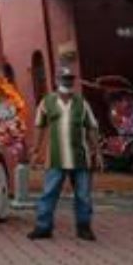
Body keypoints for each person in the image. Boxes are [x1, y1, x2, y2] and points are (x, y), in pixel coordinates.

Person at [28, 67, 101, 241]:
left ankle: (84, 227)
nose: (67, 82)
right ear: (56, 80)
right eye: (63, 78)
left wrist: (96, 152)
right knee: (49, 193)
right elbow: (39, 126)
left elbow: (91, 128)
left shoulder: (82, 103)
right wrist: (36, 150)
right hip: (56, 157)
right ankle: (43, 227)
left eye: (69, 79)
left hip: (80, 157)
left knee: (83, 195)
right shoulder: (47, 102)